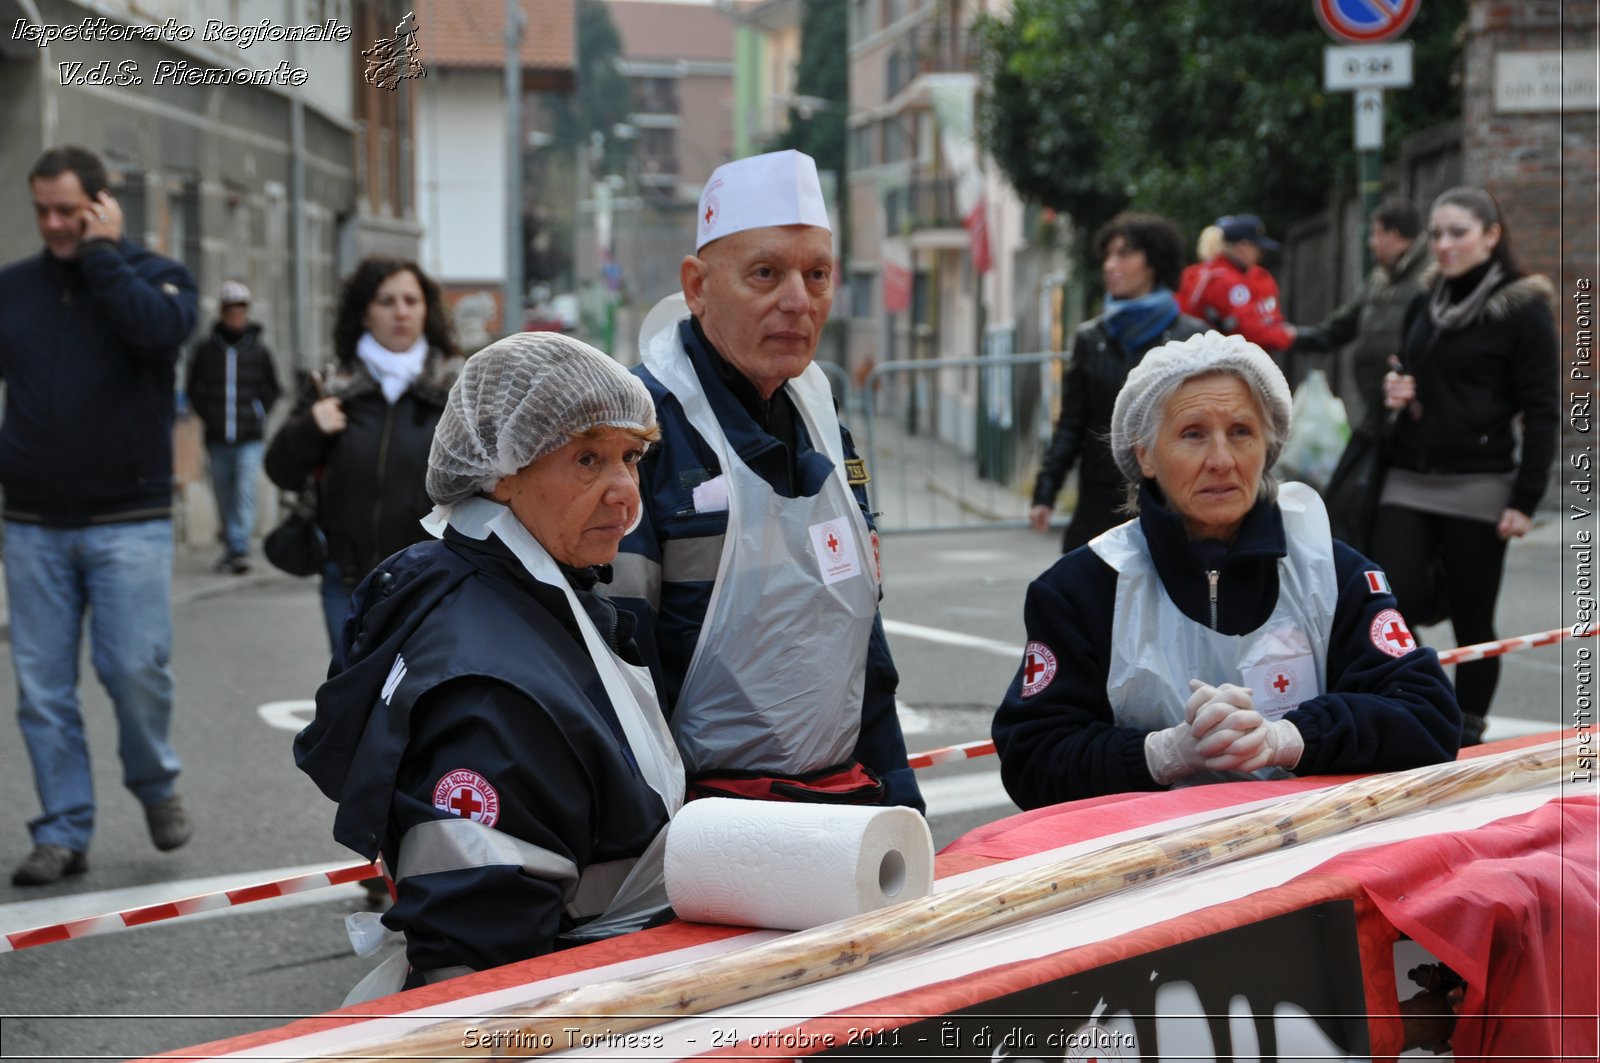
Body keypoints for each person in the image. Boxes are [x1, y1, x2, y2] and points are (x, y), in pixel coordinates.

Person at [295, 333, 683, 993]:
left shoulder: (526, 591)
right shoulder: (489, 694)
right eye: (588, 458)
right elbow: (480, 969)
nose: (626, 493)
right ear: (501, 470)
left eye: (632, 457)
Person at [992, 331, 1461, 807]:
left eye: (1241, 432)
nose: (1221, 460)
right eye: (1193, 434)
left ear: (1268, 445)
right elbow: (1032, 758)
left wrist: (1290, 738)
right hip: (1144, 868)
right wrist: (1162, 753)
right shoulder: (1081, 588)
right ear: (1145, 455)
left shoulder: (1334, 574)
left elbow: (1430, 718)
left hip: (1308, 862)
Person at [608, 149, 923, 811]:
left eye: (817, 275)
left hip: (841, 803)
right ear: (696, 285)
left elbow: (862, 641)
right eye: (765, 274)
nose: (797, 301)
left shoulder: (825, 424)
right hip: (702, 820)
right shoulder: (641, 435)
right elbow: (617, 667)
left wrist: (900, 800)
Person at [0, 145, 198, 885]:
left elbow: (159, 334)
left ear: (101, 204)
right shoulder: (14, 289)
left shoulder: (157, 277)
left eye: (67, 210)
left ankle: (155, 783)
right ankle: (62, 829)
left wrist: (105, 255)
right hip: (32, 523)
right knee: (43, 689)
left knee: (133, 669)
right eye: (42, 211)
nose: (53, 224)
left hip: (130, 519)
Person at [1372, 186, 1558, 747]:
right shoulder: (1422, 303)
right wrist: (1396, 389)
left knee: (1473, 618)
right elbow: (1407, 371)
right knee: (1387, 601)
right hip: (1408, 476)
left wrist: (1525, 499)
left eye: (1458, 233)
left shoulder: (1522, 308)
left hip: (1481, 482)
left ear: (1491, 236)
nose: (1444, 245)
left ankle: (1467, 730)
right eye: (1436, 234)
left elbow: (1544, 408)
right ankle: (1407, 707)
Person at [265, 256, 463, 648]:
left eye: (411, 300)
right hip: (349, 579)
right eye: (386, 301)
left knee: (423, 698)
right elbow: (280, 472)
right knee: (352, 698)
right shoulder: (331, 385)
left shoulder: (457, 389)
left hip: (434, 578)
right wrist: (309, 428)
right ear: (364, 314)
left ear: (427, 310)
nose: (401, 312)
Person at [1030, 213, 1207, 552]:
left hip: (1169, 498)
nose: (1111, 265)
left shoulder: (1191, 336)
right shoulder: (1090, 338)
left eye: (1125, 254)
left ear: (1154, 261)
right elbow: (1072, 422)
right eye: (1108, 255)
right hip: (1100, 500)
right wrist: (1045, 491)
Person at [1291, 200, 1432, 430]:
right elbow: (1344, 324)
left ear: (1393, 235)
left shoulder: (1429, 277)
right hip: (1374, 402)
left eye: (1375, 234)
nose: (1371, 243)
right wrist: (1298, 338)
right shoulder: (1378, 279)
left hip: (1411, 406)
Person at [186, 280, 282, 574]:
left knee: (243, 489)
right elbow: (193, 388)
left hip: (248, 436)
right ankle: (231, 543)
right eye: (230, 311)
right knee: (223, 492)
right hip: (217, 436)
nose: (235, 316)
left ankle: (239, 548)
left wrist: (258, 412)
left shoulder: (258, 350)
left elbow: (273, 388)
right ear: (223, 312)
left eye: (240, 310)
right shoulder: (206, 350)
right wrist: (209, 414)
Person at [1179, 214, 1296, 359]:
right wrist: (1286, 336)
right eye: (1258, 249)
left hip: (1195, 359)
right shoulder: (1226, 280)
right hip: (1213, 365)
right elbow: (1250, 334)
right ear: (1243, 247)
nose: (1260, 255)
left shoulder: (1201, 272)